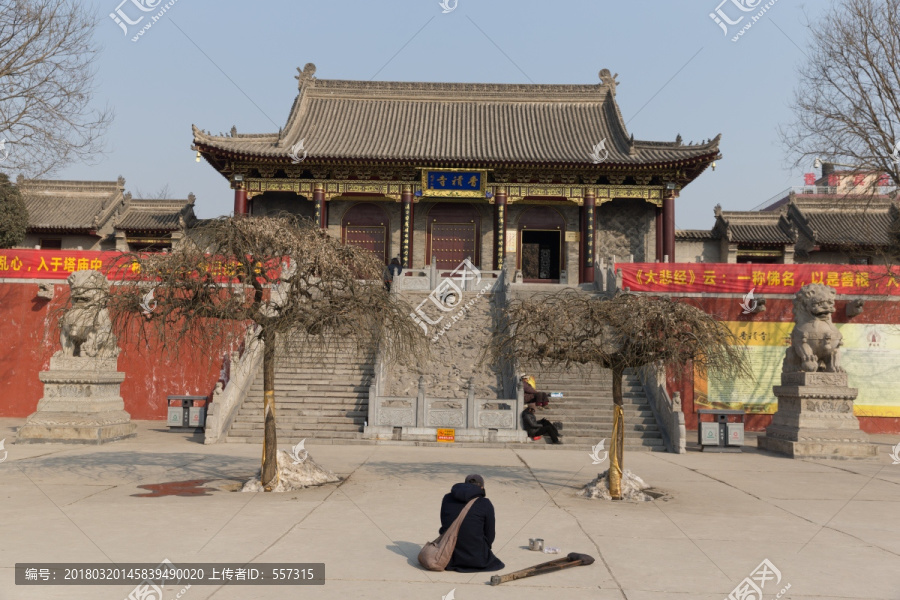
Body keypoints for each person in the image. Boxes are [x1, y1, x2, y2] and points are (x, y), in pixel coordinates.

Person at [438, 474, 504, 572]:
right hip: (477, 560)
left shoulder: (447, 498)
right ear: (482, 488)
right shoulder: (485, 503)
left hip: (449, 556)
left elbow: (444, 525)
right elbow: (490, 535)